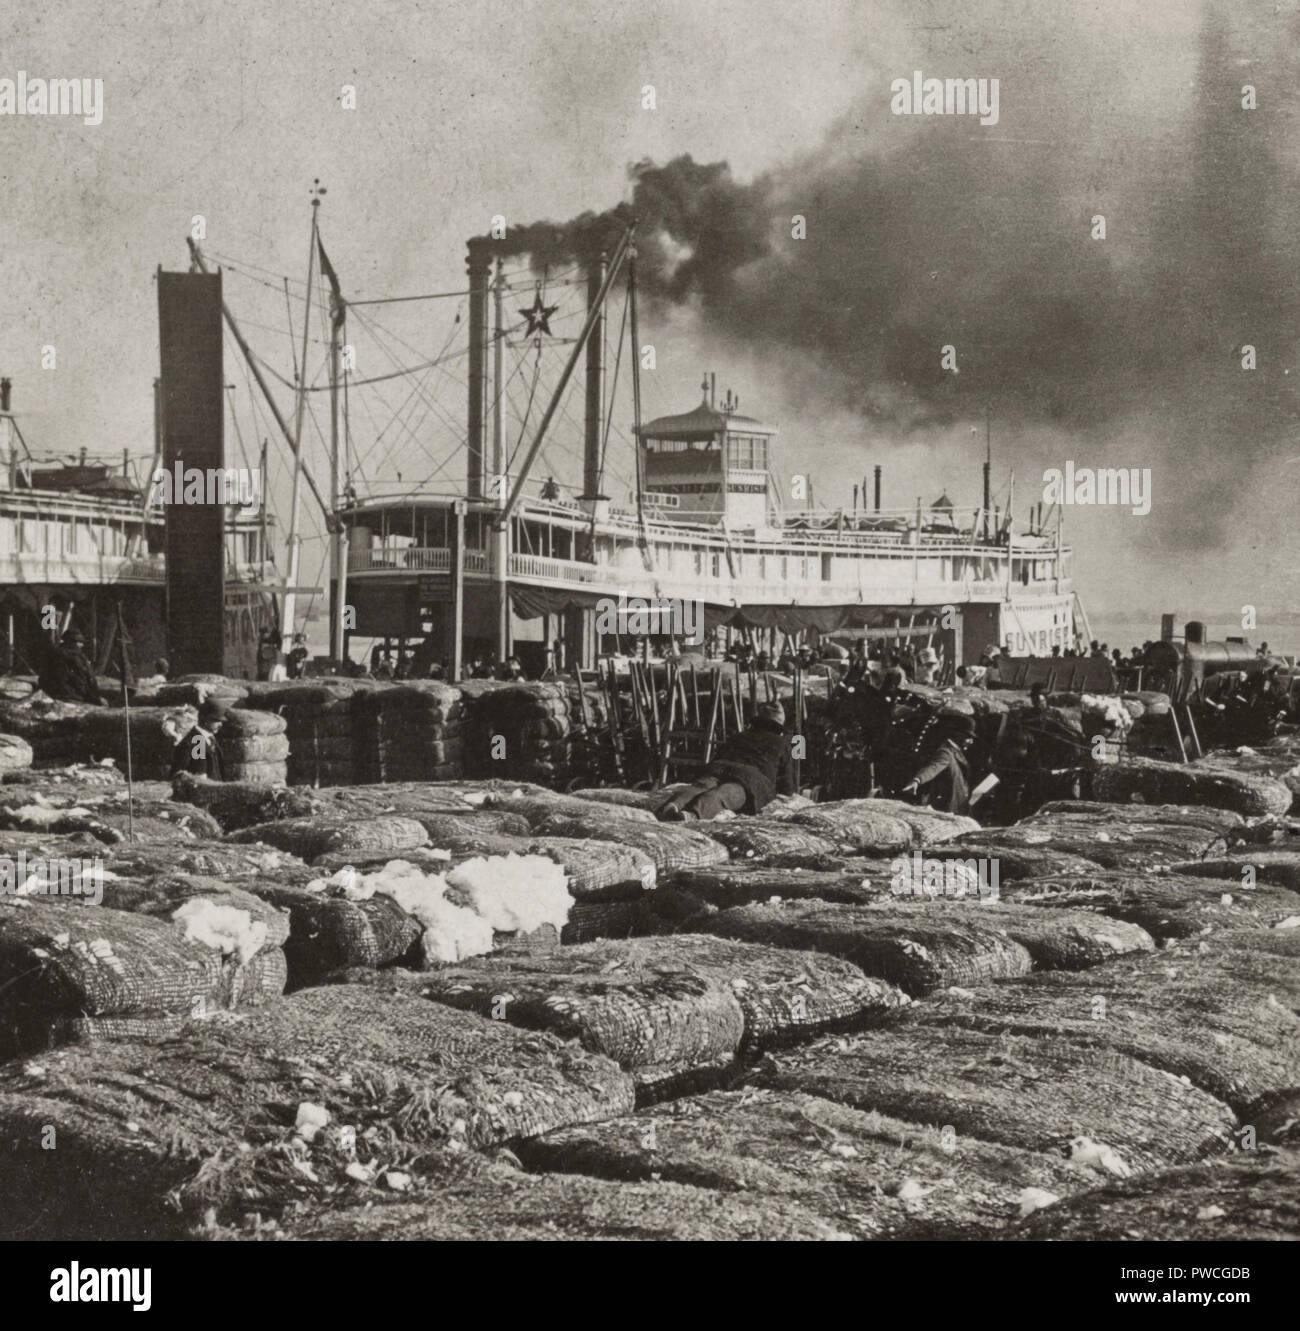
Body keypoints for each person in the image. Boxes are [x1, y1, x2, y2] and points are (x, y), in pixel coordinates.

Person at [658, 700, 794, 821]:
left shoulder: (739, 736)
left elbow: (718, 756)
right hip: (750, 780)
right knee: (722, 795)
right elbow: (786, 782)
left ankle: (674, 804)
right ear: (778, 727)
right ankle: (691, 815)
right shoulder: (782, 744)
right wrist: (786, 795)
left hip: (719, 768)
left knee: (700, 787)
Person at [897, 710, 975, 814]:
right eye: (968, 737)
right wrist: (917, 780)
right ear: (958, 735)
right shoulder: (946, 753)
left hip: (956, 807)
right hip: (947, 810)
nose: (971, 741)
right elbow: (933, 768)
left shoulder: (956, 752)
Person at [169, 698, 228, 780]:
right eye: (216, 720)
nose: (220, 724)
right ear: (204, 719)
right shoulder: (195, 741)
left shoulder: (210, 739)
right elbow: (178, 775)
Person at [38, 630, 103, 704]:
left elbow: (43, 678)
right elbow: (88, 678)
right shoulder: (76, 656)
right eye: (80, 642)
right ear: (73, 642)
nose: (82, 645)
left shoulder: (53, 653)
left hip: (52, 694)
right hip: (74, 697)